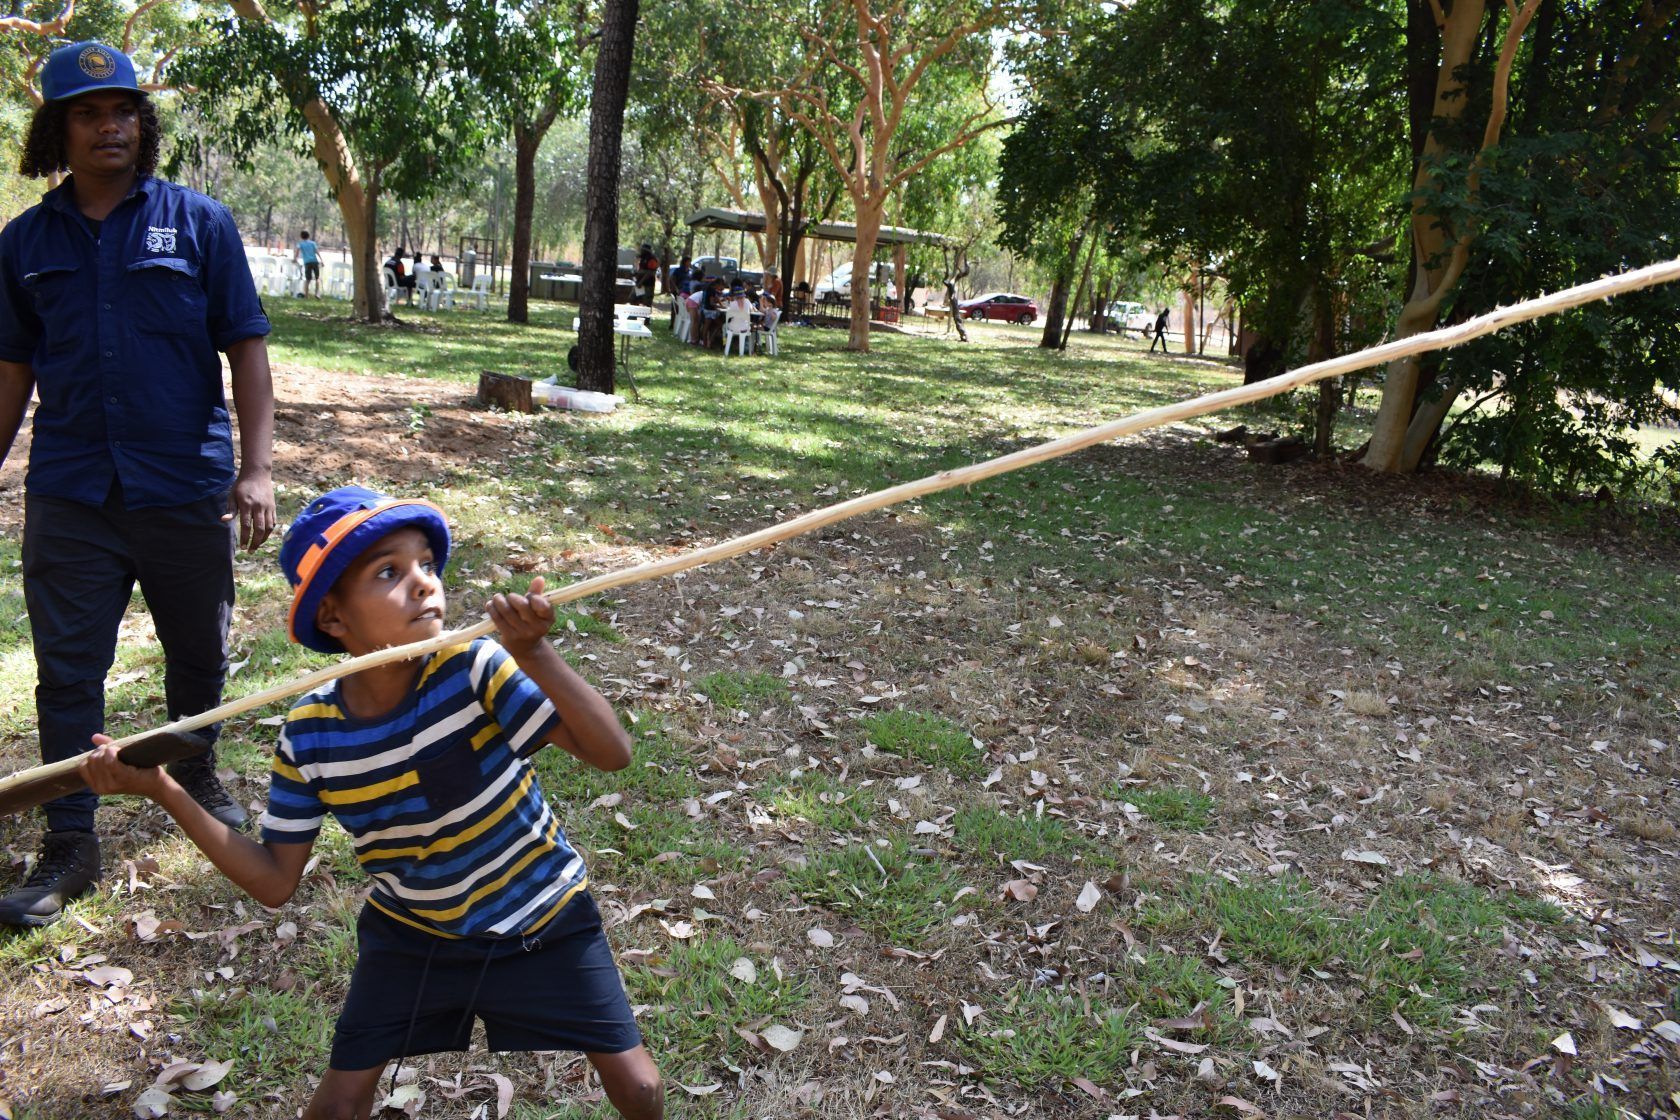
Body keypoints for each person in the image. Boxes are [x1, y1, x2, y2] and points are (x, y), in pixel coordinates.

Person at [79, 485, 665, 1120]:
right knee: (337, 1103)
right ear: (333, 617)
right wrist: (163, 788)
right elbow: (275, 881)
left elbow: (611, 754)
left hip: (543, 917)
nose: (423, 584)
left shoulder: (474, 667)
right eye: (390, 571)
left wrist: (535, 653)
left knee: (639, 1088)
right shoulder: (310, 734)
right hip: (414, 939)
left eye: (426, 565)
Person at [0, 41, 275, 927]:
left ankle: (194, 768)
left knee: (200, 652)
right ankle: (70, 840)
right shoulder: (23, 244)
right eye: (87, 113)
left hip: (183, 486)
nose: (109, 125)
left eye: (123, 110)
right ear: (57, 129)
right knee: (67, 673)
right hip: (72, 492)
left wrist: (257, 469)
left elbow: (247, 351)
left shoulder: (201, 224)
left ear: (142, 124)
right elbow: (11, 371)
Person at [295, 229, 320, 297]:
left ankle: (306, 294)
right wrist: (321, 260)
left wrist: (295, 259)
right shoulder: (312, 243)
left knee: (307, 279)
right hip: (315, 261)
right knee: (317, 278)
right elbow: (317, 252)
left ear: (301, 236)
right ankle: (317, 293)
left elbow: (297, 252)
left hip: (307, 262)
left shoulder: (300, 244)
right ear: (308, 236)